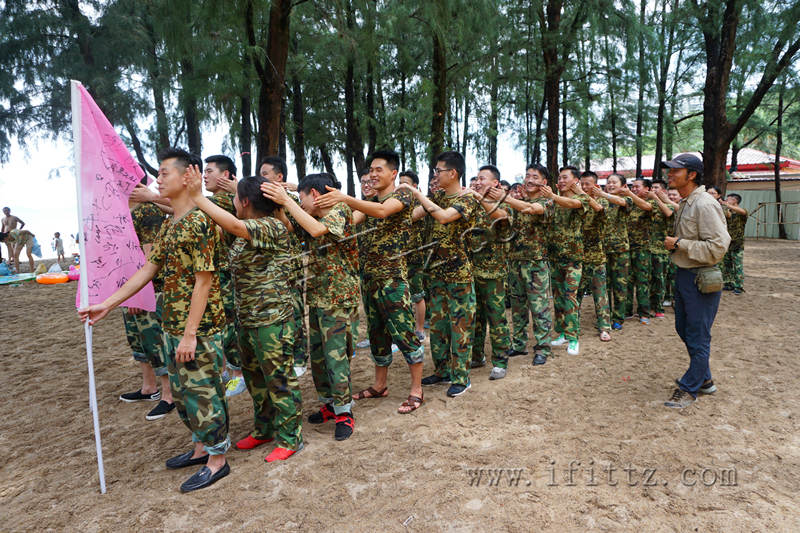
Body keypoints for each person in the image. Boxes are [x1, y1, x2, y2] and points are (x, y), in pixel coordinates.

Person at [79, 148, 231, 492]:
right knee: (182, 392)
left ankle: (217, 460)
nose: (157, 180)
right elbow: (149, 268)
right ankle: (200, 447)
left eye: (164, 173)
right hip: (172, 323)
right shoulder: (170, 222)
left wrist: (191, 334)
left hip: (200, 328)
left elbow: (203, 281)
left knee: (204, 392)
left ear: (186, 175)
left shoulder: (200, 221)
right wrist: (108, 303)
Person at [189, 169, 305, 460]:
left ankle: (291, 438)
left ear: (243, 201)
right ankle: (264, 429)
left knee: (279, 379)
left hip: (273, 321)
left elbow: (231, 225)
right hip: (249, 319)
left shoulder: (271, 227)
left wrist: (195, 195)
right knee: (255, 380)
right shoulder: (244, 230)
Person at [315, 149, 425, 414]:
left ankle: (416, 390)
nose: (373, 174)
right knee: (377, 334)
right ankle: (380, 385)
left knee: (405, 333)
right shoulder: (370, 200)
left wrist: (346, 198)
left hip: (392, 279)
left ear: (393, 173)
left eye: (379, 170)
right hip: (370, 279)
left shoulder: (403, 193)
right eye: (371, 170)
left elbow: (382, 211)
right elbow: (352, 220)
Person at [262, 173, 359, 441]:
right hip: (318, 297)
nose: (301, 203)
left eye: (303, 198)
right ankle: (329, 405)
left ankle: (344, 413)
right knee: (318, 357)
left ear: (314, 195)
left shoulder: (340, 210)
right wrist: (284, 203)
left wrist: (288, 200)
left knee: (336, 358)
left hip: (338, 299)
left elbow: (317, 230)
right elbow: (292, 225)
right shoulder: (311, 214)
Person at [402, 151, 477, 397]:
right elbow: (414, 216)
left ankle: (461, 377)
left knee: (460, 326)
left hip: (458, 274)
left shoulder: (467, 199)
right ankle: (443, 370)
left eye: (438, 171)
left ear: (452, 173)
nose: (435, 175)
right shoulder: (439, 196)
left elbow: (445, 218)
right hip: (435, 273)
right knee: (439, 325)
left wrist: (417, 193)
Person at [661, 153, 730, 408]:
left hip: (701, 278)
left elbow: (719, 247)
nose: (669, 174)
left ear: (691, 174)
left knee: (698, 335)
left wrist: (680, 243)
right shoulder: (688, 201)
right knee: (685, 329)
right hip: (685, 275)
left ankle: (689, 387)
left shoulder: (704, 204)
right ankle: (705, 380)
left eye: (675, 171)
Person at [119, 193, 174, 421]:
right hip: (129, 286)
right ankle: (148, 387)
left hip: (150, 289)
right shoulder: (122, 213)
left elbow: (151, 256)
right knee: (137, 338)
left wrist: (141, 293)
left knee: (154, 340)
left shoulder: (148, 211)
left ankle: (169, 395)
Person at [493, 164, 551, 365]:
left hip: (536, 264)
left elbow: (531, 209)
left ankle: (543, 348)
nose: (530, 179)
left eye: (535, 176)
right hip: (515, 262)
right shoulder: (517, 202)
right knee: (517, 307)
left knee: (539, 308)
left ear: (544, 182)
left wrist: (505, 198)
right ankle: (519, 344)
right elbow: (503, 214)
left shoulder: (547, 202)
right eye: (527, 176)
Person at [259, 156, 308, 377]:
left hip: (290, 267)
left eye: (265, 174)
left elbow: (292, 228)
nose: (261, 179)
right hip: (270, 267)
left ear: (279, 177)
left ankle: (300, 358)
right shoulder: (261, 202)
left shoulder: (291, 202)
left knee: (295, 311)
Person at [203, 155, 247, 397]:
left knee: (230, 326)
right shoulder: (216, 201)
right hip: (218, 274)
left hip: (228, 276)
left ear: (227, 175)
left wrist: (155, 200)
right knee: (222, 325)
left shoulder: (228, 201)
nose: (205, 175)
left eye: (210, 171)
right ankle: (230, 372)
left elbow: (195, 206)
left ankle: (238, 375)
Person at [463, 165, 512, 380]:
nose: (478, 182)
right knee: (475, 318)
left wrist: (479, 198)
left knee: (496, 317)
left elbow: (502, 219)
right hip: (471, 271)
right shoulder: (470, 204)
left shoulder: (502, 203)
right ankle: (476, 356)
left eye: (483, 179)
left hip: (494, 274)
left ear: (495, 183)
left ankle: (500, 361)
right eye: (477, 178)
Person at [547, 167, 590, 355]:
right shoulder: (553, 201)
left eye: (565, 177)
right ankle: (563, 332)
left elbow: (573, 204)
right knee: (557, 298)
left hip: (573, 259)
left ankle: (573, 338)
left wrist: (553, 196)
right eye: (559, 177)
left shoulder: (581, 199)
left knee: (570, 297)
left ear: (575, 181)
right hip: (555, 257)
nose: (561, 180)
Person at [578, 171, 612, 342]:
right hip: (578, 257)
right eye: (581, 184)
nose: (584, 188)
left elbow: (600, 211)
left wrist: (582, 195)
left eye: (587, 184)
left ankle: (605, 327)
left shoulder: (602, 201)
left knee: (600, 294)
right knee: (575, 293)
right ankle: (572, 327)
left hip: (597, 256)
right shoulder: (577, 204)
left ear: (596, 186)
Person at [399, 170, 427, 341]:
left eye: (405, 183)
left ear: (415, 186)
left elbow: (413, 217)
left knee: (417, 295)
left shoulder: (419, 203)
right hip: (399, 256)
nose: (401, 186)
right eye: (399, 182)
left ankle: (420, 328)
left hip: (415, 256)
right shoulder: (399, 201)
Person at [626, 178, 656, 324]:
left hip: (642, 249)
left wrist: (630, 195)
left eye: (637, 187)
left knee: (642, 281)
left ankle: (644, 312)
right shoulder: (629, 204)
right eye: (632, 187)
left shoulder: (650, 203)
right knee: (628, 281)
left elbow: (647, 208)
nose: (634, 189)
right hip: (627, 247)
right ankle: (627, 310)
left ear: (647, 189)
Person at [648, 179, 675, 317]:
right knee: (648, 279)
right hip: (647, 248)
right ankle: (648, 306)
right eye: (651, 187)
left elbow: (670, 214)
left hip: (660, 249)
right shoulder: (648, 204)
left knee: (659, 279)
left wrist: (657, 199)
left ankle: (658, 307)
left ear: (663, 191)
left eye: (656, 188)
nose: (653, 190)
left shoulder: (667, 204)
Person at [355, 168, 376, 350]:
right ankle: (372, 335)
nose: (366, 186)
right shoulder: (360, 207)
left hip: (384, 269)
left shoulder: (381, 206)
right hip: (364, 266)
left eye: (370, 182)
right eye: (363, 182)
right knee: (368, 305)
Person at [721, 193, 748, 294]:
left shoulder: (742, 212)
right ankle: (728, 283)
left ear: (735, 201)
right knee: (726, 264)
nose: (727, 200)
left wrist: (726, 205)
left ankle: (739, 286)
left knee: (737, 265)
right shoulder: (728, 212)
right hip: (727, 243)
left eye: (729, 199)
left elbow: (742, 211)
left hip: (737, 243)